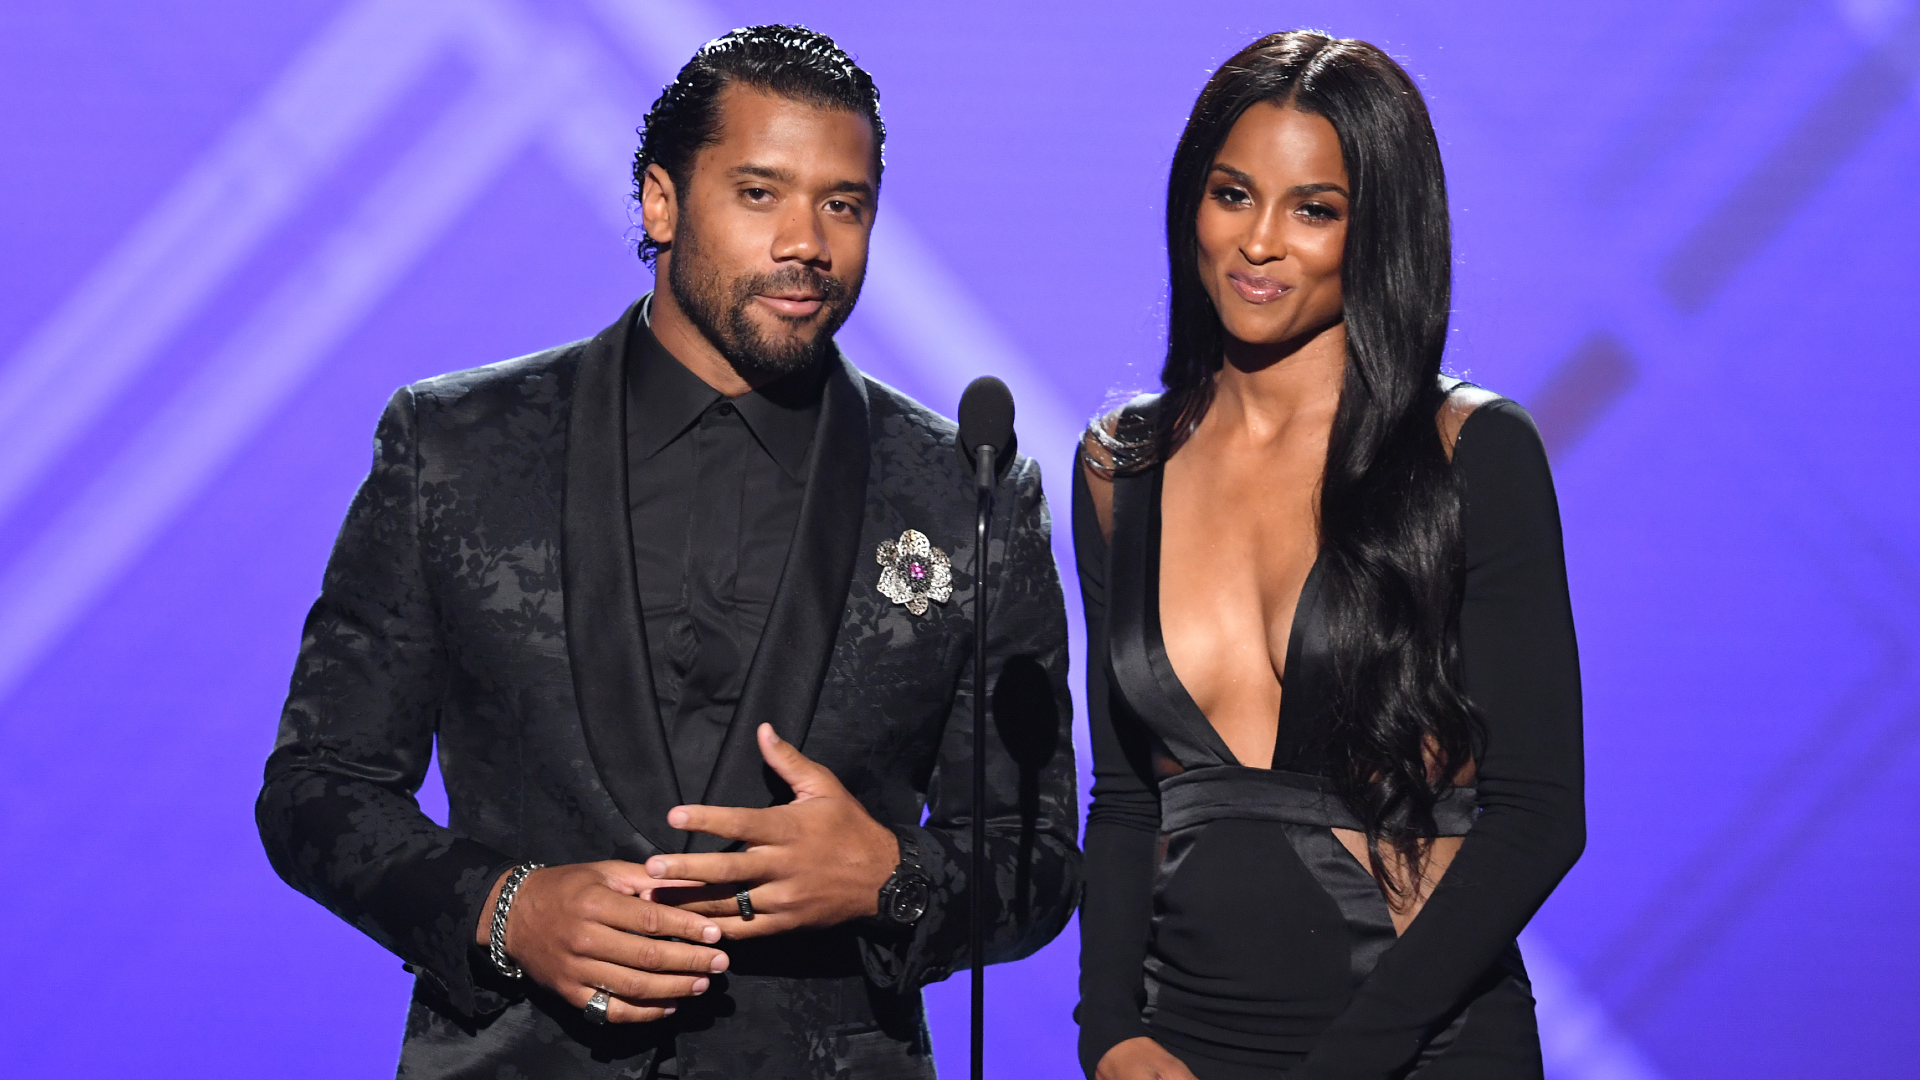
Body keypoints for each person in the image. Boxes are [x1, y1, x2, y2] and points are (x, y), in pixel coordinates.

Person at [257, 26, 1080, 1080]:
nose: (806, 242)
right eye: (760, 193)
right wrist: (505, 909)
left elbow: (1035, 858)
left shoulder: (965, 491)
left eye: (844, 204)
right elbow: (319, 785)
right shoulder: (455, 446)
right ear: (660, 202)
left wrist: (892, 877)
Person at [1073, 30, 1584, 1080]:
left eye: (1313, 210)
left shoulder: (1471, 453)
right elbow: (1126, 800)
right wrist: (1109, 1030)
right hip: (1187, 1049)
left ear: (1377, 229)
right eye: (1232, 195)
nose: (1259, 242)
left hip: (1424, 1053)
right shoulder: (1122, 468)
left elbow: (1538, 817)